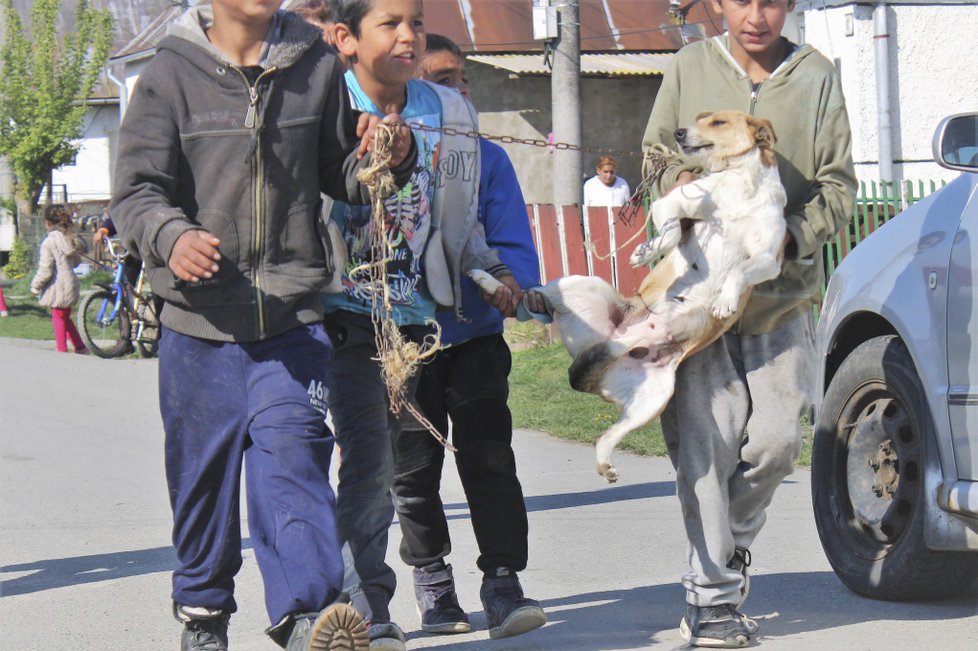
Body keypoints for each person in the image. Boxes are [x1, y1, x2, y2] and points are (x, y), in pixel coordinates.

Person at [109, 0, 415, 649]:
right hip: (198, 323)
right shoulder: (170, 72)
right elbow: (136, 190)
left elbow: (343, 174)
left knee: (294, 458)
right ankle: (203, 613)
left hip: (290, 315)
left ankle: (308, 616)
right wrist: (171, 235)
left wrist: (389, 156)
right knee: (202, 480)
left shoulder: (315, 65)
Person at [641, 0, 856, 647]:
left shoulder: (816, 76)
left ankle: (723, 554)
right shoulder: (688, 68)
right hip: (701, 295)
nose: (756, 14)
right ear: (717, 4)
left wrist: (785, 238)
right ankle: (713, 600)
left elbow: (838, 187)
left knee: (773, 446)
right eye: (741, 0)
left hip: (781, 297)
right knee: (706, 448)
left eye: (770, 0)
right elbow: (654, 155)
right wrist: (686, 186)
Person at [323, 2, 522, 649]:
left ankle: (382, 598)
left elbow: (455, 217)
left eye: (416, 22)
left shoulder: (446, 115)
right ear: (346, 38)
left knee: (391, 464)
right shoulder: (323, 103)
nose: (408, 35)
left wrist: (493, 272)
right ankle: (365, 605)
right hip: (340, 313)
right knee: (373, 465)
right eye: (391, 23)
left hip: (412, 320)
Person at [390, 32, 548, 642]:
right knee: (412, 469)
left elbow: (511, 243)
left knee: (489, 458)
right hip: (405, 340)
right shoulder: (387, 152)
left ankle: (503, 583)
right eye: (438, 79)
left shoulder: (489, 159)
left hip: (476, 336)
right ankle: (433, 584)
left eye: (460, 78)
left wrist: (513, 283)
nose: (456, 89)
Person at [30, 205, 88, 354]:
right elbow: (76, 262)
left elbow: (46, 269)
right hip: (70, 284)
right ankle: (80, 347)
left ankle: (61, 350)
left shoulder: (48, 243)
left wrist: (35, 286)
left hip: (57, 286)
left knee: (58, 317)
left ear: (47, 223)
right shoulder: (69, 239)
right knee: (65, 317)